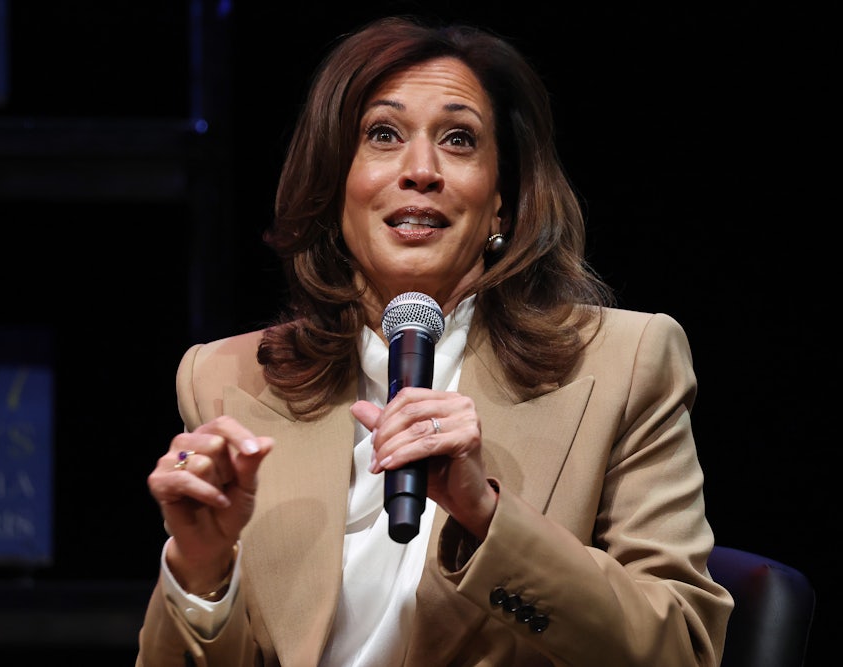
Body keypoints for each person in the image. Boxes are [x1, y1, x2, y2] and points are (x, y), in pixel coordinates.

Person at [137, 14, 733, 667]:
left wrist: (487, 516)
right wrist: (200, 570)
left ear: (501, 202)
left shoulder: (626, 362)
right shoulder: (228, 377)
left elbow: (683, 647)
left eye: (458, 139)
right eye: (383, 135)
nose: (421, 170)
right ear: (336, 184)